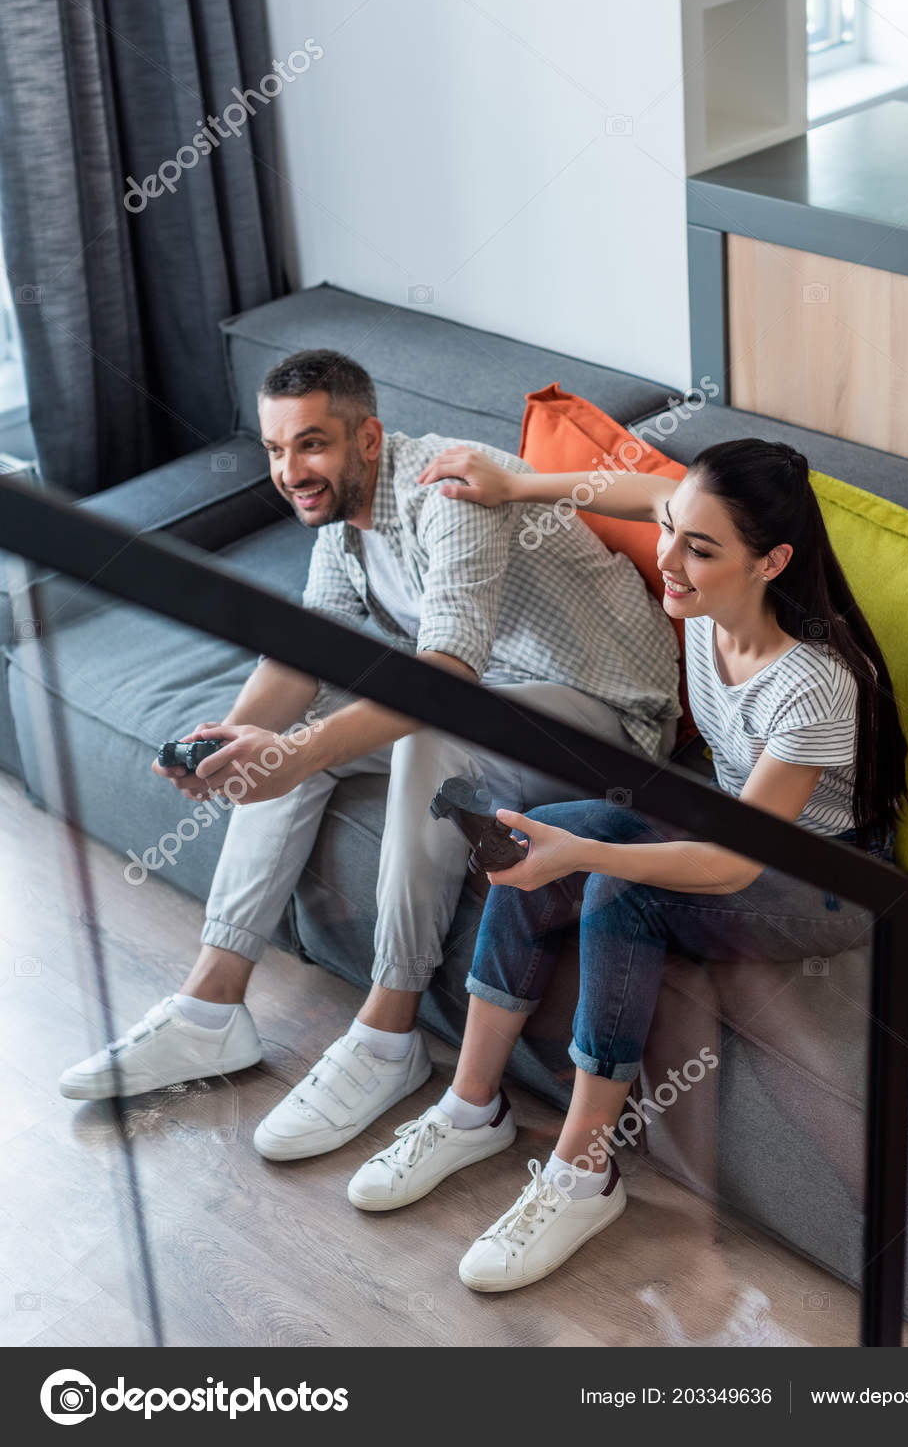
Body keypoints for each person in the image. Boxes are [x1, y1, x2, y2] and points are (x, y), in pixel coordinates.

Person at [59, 350, 680, 1169]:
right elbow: (307, 653)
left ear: (370, 439)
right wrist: (235, 743)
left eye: (310, 445)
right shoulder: (342, 520)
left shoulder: (448, 489)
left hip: (609, 721)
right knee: (306, 732)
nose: (290, 471)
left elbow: (451, 677)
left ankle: (390, 1038)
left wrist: (297, 749)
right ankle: (210, 1008)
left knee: (429, 725)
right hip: (502, 705)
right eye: (276, 451)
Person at [346, 436, 908, 1291]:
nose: (668, 560)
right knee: (536, 830)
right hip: (731, 825)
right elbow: (648, 493)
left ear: (773, 562)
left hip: (828, 881)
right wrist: (514, 485)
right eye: (673, 532)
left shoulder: (816, 683)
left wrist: (591, 854)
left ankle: (583, 1171)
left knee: (616, 880)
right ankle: (469, 1109)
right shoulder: (704, 587)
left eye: (698, 548)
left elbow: (731, 865)